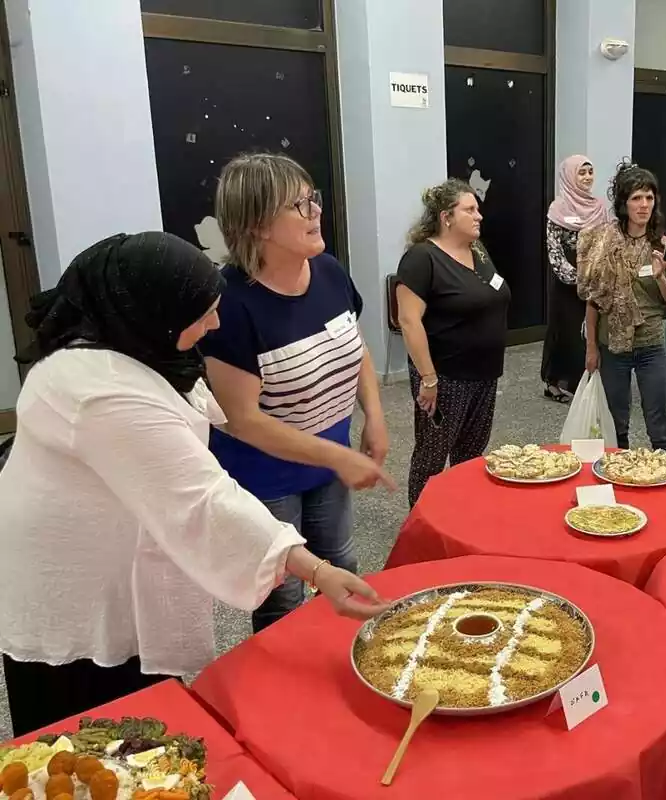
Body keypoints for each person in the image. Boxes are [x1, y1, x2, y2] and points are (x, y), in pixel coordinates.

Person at [0, 232, 389, 736]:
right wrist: (316, 569)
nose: (216, 323)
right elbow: (203, 495)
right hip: (77, 593)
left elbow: (223, 414)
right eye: (202, 312)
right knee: (88, 745)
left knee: (145, 725)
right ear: (153, 310)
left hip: (127, 549)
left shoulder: (141, 347)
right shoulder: (99, 391)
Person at [203, 152, 391, 633]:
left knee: (340, 563)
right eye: (299, 205)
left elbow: (355, 344)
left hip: (328, 454)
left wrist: (374, 414)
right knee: (282, 591)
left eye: (314, 199)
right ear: (258, 225)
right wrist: (338, 455)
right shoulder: (232, 304)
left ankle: (347, 656)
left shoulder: (328, 271)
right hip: (265, 472)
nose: (316, 212)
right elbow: (242, 419)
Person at [396, 179, 511, 506]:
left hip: (484, 374)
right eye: (470, 210)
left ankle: (460, 517)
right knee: (432, 458)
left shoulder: (477, 250)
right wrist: (428, 378)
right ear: (446, 216)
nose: (479, 216)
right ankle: (422, 526)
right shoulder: (422, 258)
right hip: (444, 377)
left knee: (471, 455)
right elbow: (409, 320)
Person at [577, 162, 666, 452]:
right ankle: (619, 485)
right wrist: (591, 347)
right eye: (636, 198)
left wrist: (661, 278)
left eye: (649, 197)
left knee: (658, 425)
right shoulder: (603, 244)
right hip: (613, 347)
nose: (644, 205)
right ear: (624, 204)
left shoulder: (664, 246)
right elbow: (594, 299)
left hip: (651, 346)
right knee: (616, 423)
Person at [542, 155, 607, 402]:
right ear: (569, 175)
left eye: (590, 172)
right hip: (567, 283)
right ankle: (556, 383)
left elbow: (607, 242)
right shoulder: (558, 209)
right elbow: (554, 251)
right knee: (566, 330)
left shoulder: (600, 206)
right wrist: (578, 279)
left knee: (590, 331)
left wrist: (598, 276)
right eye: (582, 173)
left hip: (595, 280)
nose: (588, 177)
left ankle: (586, 381)